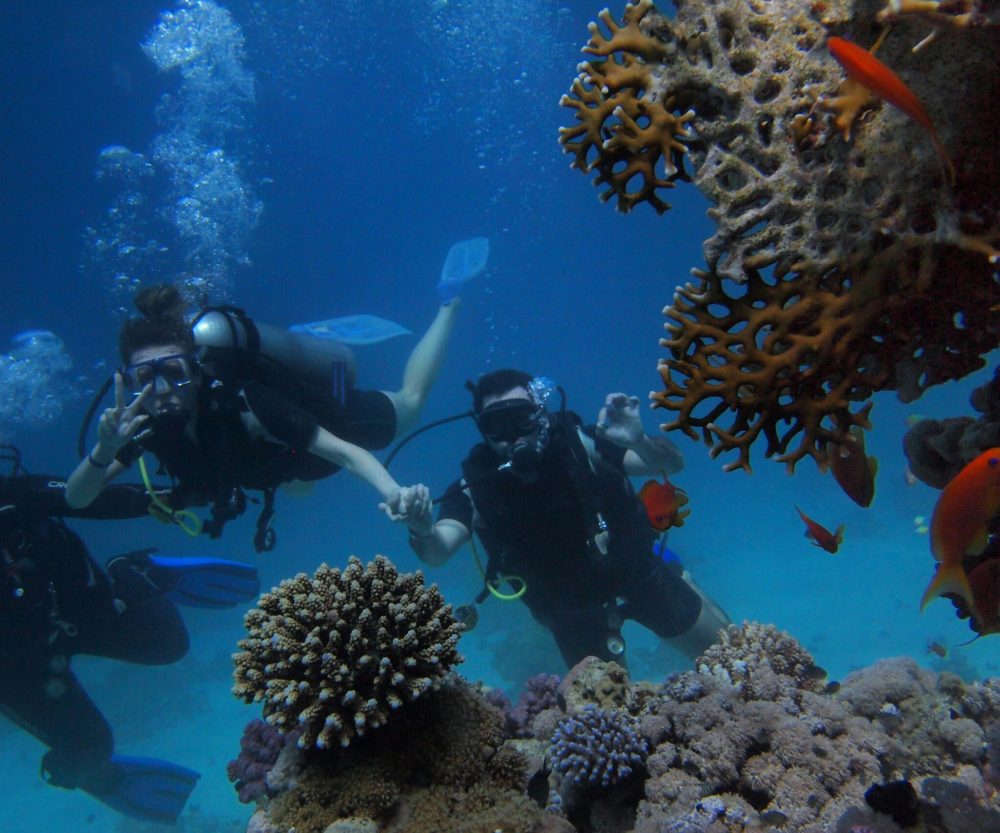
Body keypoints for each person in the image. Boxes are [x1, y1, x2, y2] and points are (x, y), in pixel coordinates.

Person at [66, 278, 467, 547]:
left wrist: (394, 494)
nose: (163, 390)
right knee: (298, 485)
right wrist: (104, 450)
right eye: (145, 377)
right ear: (129, 381)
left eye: (174, 372)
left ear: (198, 368)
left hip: (333, 421)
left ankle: (449, 303)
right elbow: (77, 498)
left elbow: (347, 453)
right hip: (285, 462)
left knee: (412, 401)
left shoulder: (249, 401)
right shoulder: (138, 427)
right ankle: (305, 343)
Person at [384, 369, 731, 669]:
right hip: (569, 612)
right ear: (481, 429)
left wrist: (640, 442)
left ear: (541, 412)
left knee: (732, 661)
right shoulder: (474, 486)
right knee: (606, 720)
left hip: (640, 574)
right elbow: (438, 551)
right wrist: (422, 528)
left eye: (521, 418)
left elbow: (670, 465)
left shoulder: (581, 445)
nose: (513, 437)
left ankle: (678, 572)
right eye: (496, 425)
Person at [0, 449, 259, 823]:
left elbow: (85, 498)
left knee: (169, 644)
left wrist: (174, 497)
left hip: (81, 611)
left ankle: (135, 570)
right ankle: (95, 773)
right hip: (19, 664)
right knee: (86, 753)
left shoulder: (13, 496)